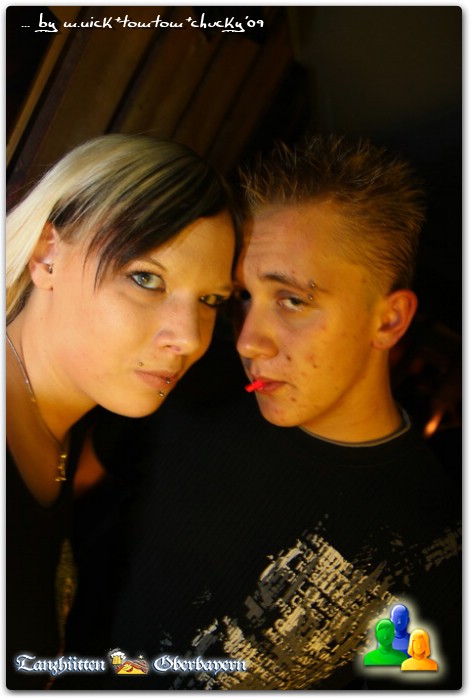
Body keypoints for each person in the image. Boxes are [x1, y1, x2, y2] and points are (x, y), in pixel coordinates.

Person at [58, 136, 461, 690]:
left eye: (292, 300)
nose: (249, 340)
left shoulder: (439, 547)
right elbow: (54, 510)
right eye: (240, 297)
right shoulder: (187, 382)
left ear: (388, 320)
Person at [5, 133, 236, 690]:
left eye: (210, 300)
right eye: (146, 278)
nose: (188, 337)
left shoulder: (72, 435)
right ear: (47, 255)